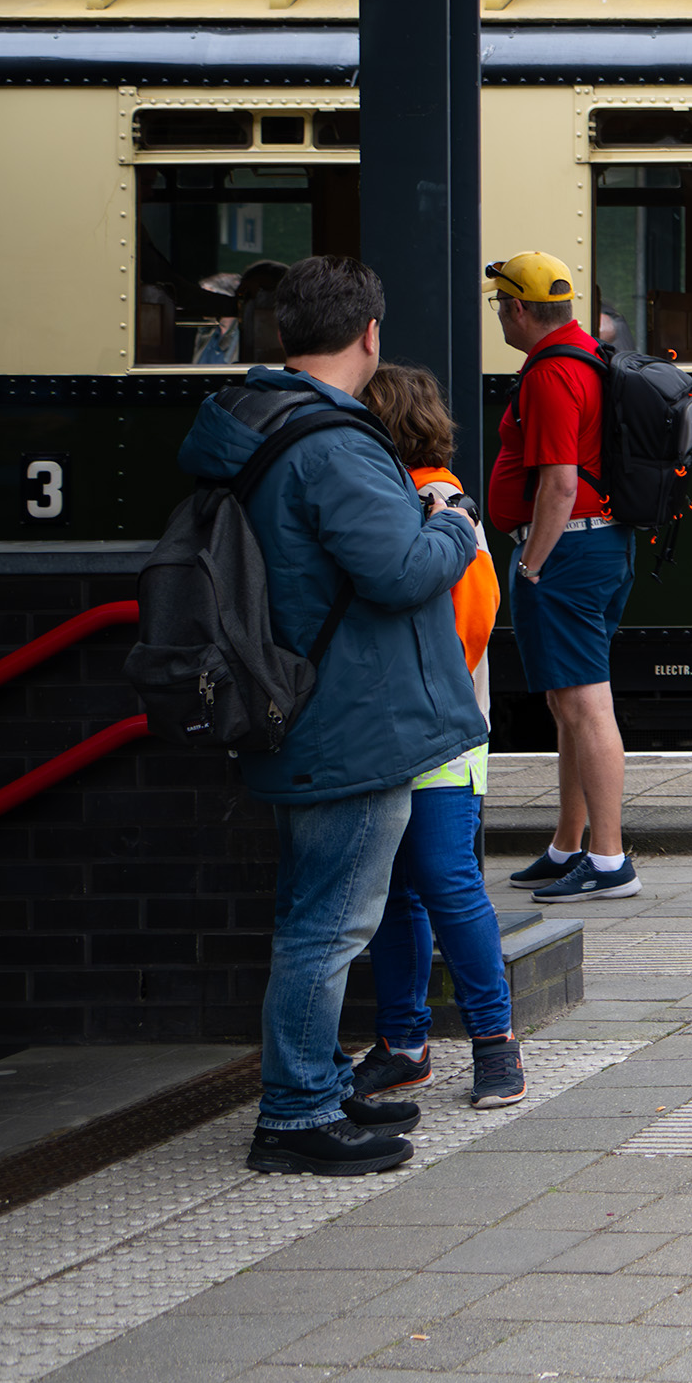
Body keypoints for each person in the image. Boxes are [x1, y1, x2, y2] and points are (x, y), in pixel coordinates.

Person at [178, 256, 487, 1176]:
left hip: (307, 706)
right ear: (370, 336)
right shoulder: (334, 444)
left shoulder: (256, 424)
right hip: (348, 719)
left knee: (315, 915)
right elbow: (396, 573)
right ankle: (298, 1114)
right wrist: (453, 520)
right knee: (328, 926)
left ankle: (312, 1090)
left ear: (283, 335)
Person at [348, 365, 525, 1115]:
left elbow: (470, 623)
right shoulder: (420, 497)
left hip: (433, 728)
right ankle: (407, 1045)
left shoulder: (435, 500)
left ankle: (491, 1045)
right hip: (416, 725)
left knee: (443, 884)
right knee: (404, 892)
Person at [486, 250, 640, 902]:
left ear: (518, 309)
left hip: (567, 555)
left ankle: (609, 862)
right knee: (567, 703)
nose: (497, 314)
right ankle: (567, 845)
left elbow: (558, 483)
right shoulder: (584, 354)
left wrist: (531, 562)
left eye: (499, 304)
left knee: (585, 703)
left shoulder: (551, 375)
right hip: (598, 547)